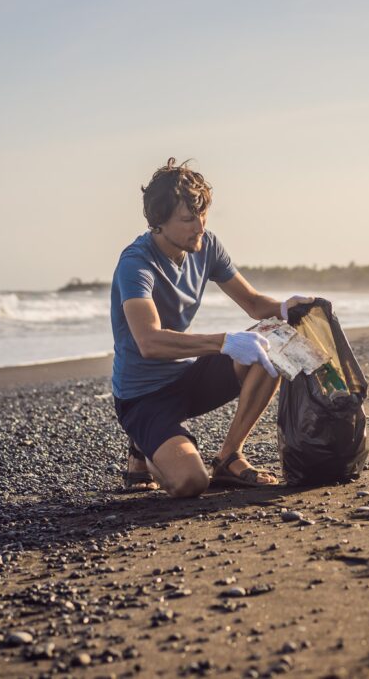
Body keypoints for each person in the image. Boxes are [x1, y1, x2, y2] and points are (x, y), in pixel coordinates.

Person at [110, 158, 312, 498]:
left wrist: (285, 307)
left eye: (202, 215)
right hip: (143, 397)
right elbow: (149, 342)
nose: (199, 227)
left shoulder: (208, 247)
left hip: (188, 380)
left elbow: (253, 304)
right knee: (191, 482)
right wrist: (226, 343)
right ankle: (144, 448)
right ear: (158, 224)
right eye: (188, 219)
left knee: (273, 343)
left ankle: (229, 457)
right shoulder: (136, 263)